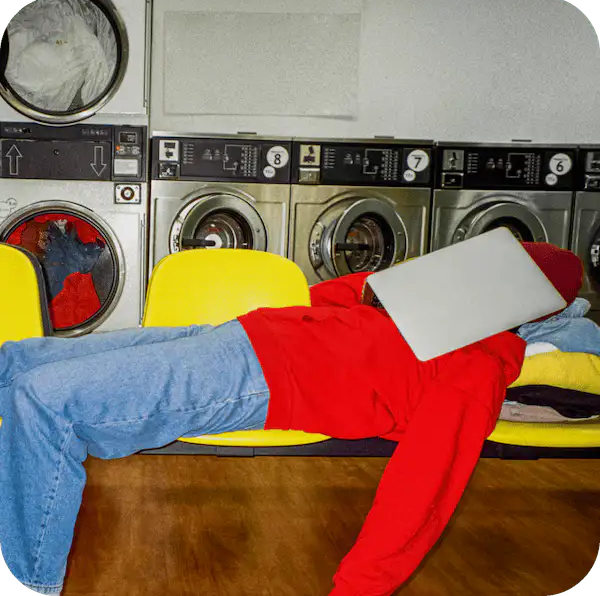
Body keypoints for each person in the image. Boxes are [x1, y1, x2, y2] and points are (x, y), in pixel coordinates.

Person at [0, 241, 584, 596]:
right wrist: (388, 288)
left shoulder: (477, 367)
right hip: (239, 333)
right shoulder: (427, 311)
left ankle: (26, 583)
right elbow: (321, 299)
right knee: (19, 359)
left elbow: (422, 491)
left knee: (44, 400)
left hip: (252, 377)